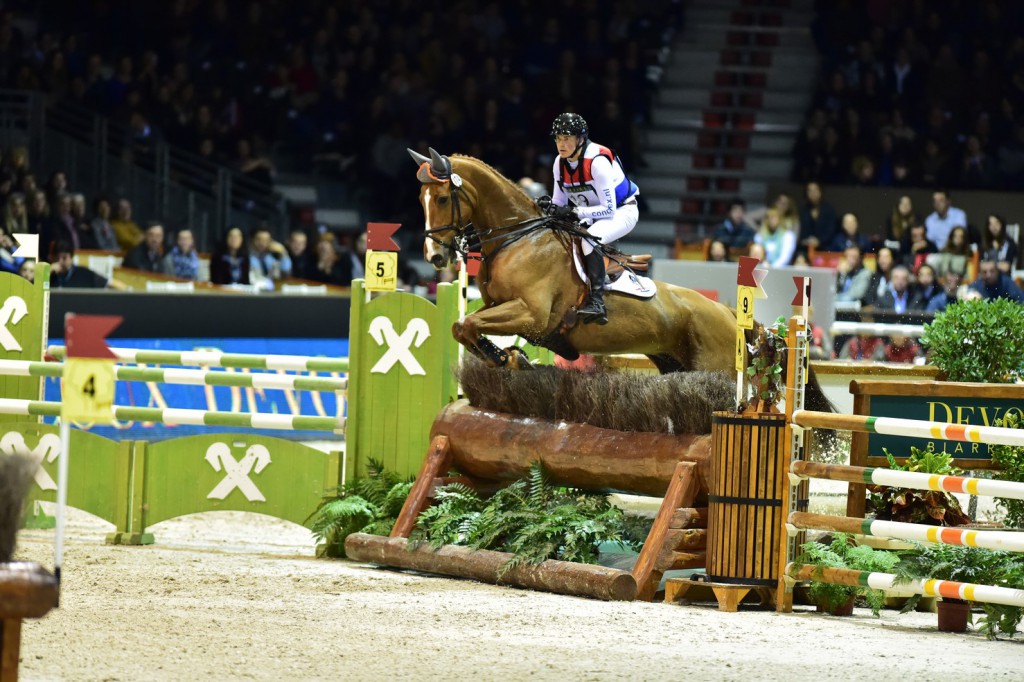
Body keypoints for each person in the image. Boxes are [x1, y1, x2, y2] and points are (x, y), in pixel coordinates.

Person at [540, 112, 639, 324]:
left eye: (567, 138)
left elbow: (609, 210)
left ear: (581, 139)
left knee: (589, 238)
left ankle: (597, 300)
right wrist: (547, 208)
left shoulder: (597, 161)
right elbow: (559, 202)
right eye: (558, 138)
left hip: (623, 211)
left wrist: (575, 212)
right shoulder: (560, 163)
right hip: (592, 214)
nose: (561, 144)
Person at [798, 181, 840, 253]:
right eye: (810, 191)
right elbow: (799, 229)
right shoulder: (802, 211)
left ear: (820, 192)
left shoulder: (829, 210)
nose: (813, 193)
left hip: (826, 248)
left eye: (815, 190)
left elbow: (832, 230)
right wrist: (806, 241)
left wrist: (819, 241)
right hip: (805, 248)